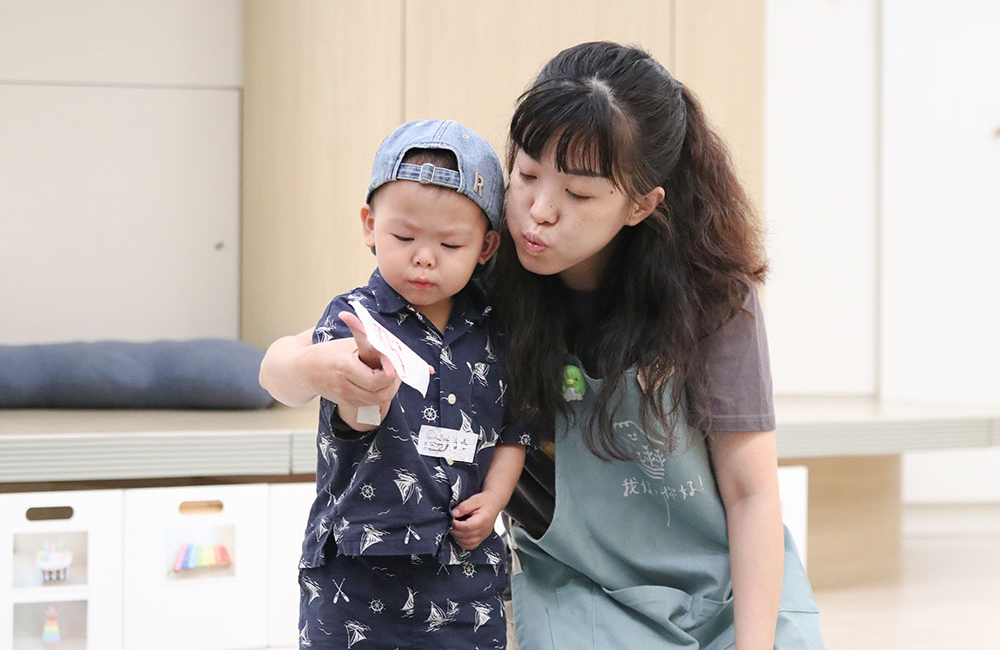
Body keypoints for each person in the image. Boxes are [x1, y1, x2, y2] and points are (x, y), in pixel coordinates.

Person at [261, 42, 824, 648]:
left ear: (640, 205)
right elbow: (281, 368)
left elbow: (751, 493)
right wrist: (315, 369)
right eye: (527, 175)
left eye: (578, 194)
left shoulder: (711, 298)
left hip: (729, 585)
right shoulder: (473, 272)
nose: (539, 211)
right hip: (580, 590)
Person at [260, 119, 535, 649]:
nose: (423, 257)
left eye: (450, 243)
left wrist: (495, 498)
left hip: (464, 581)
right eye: (404, 237)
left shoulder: (500, 332)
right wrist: (353, 384)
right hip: (355, 579)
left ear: (486, 246)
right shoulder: (354, 317)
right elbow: (325, 403)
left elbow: (515, 431)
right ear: (369, 225)